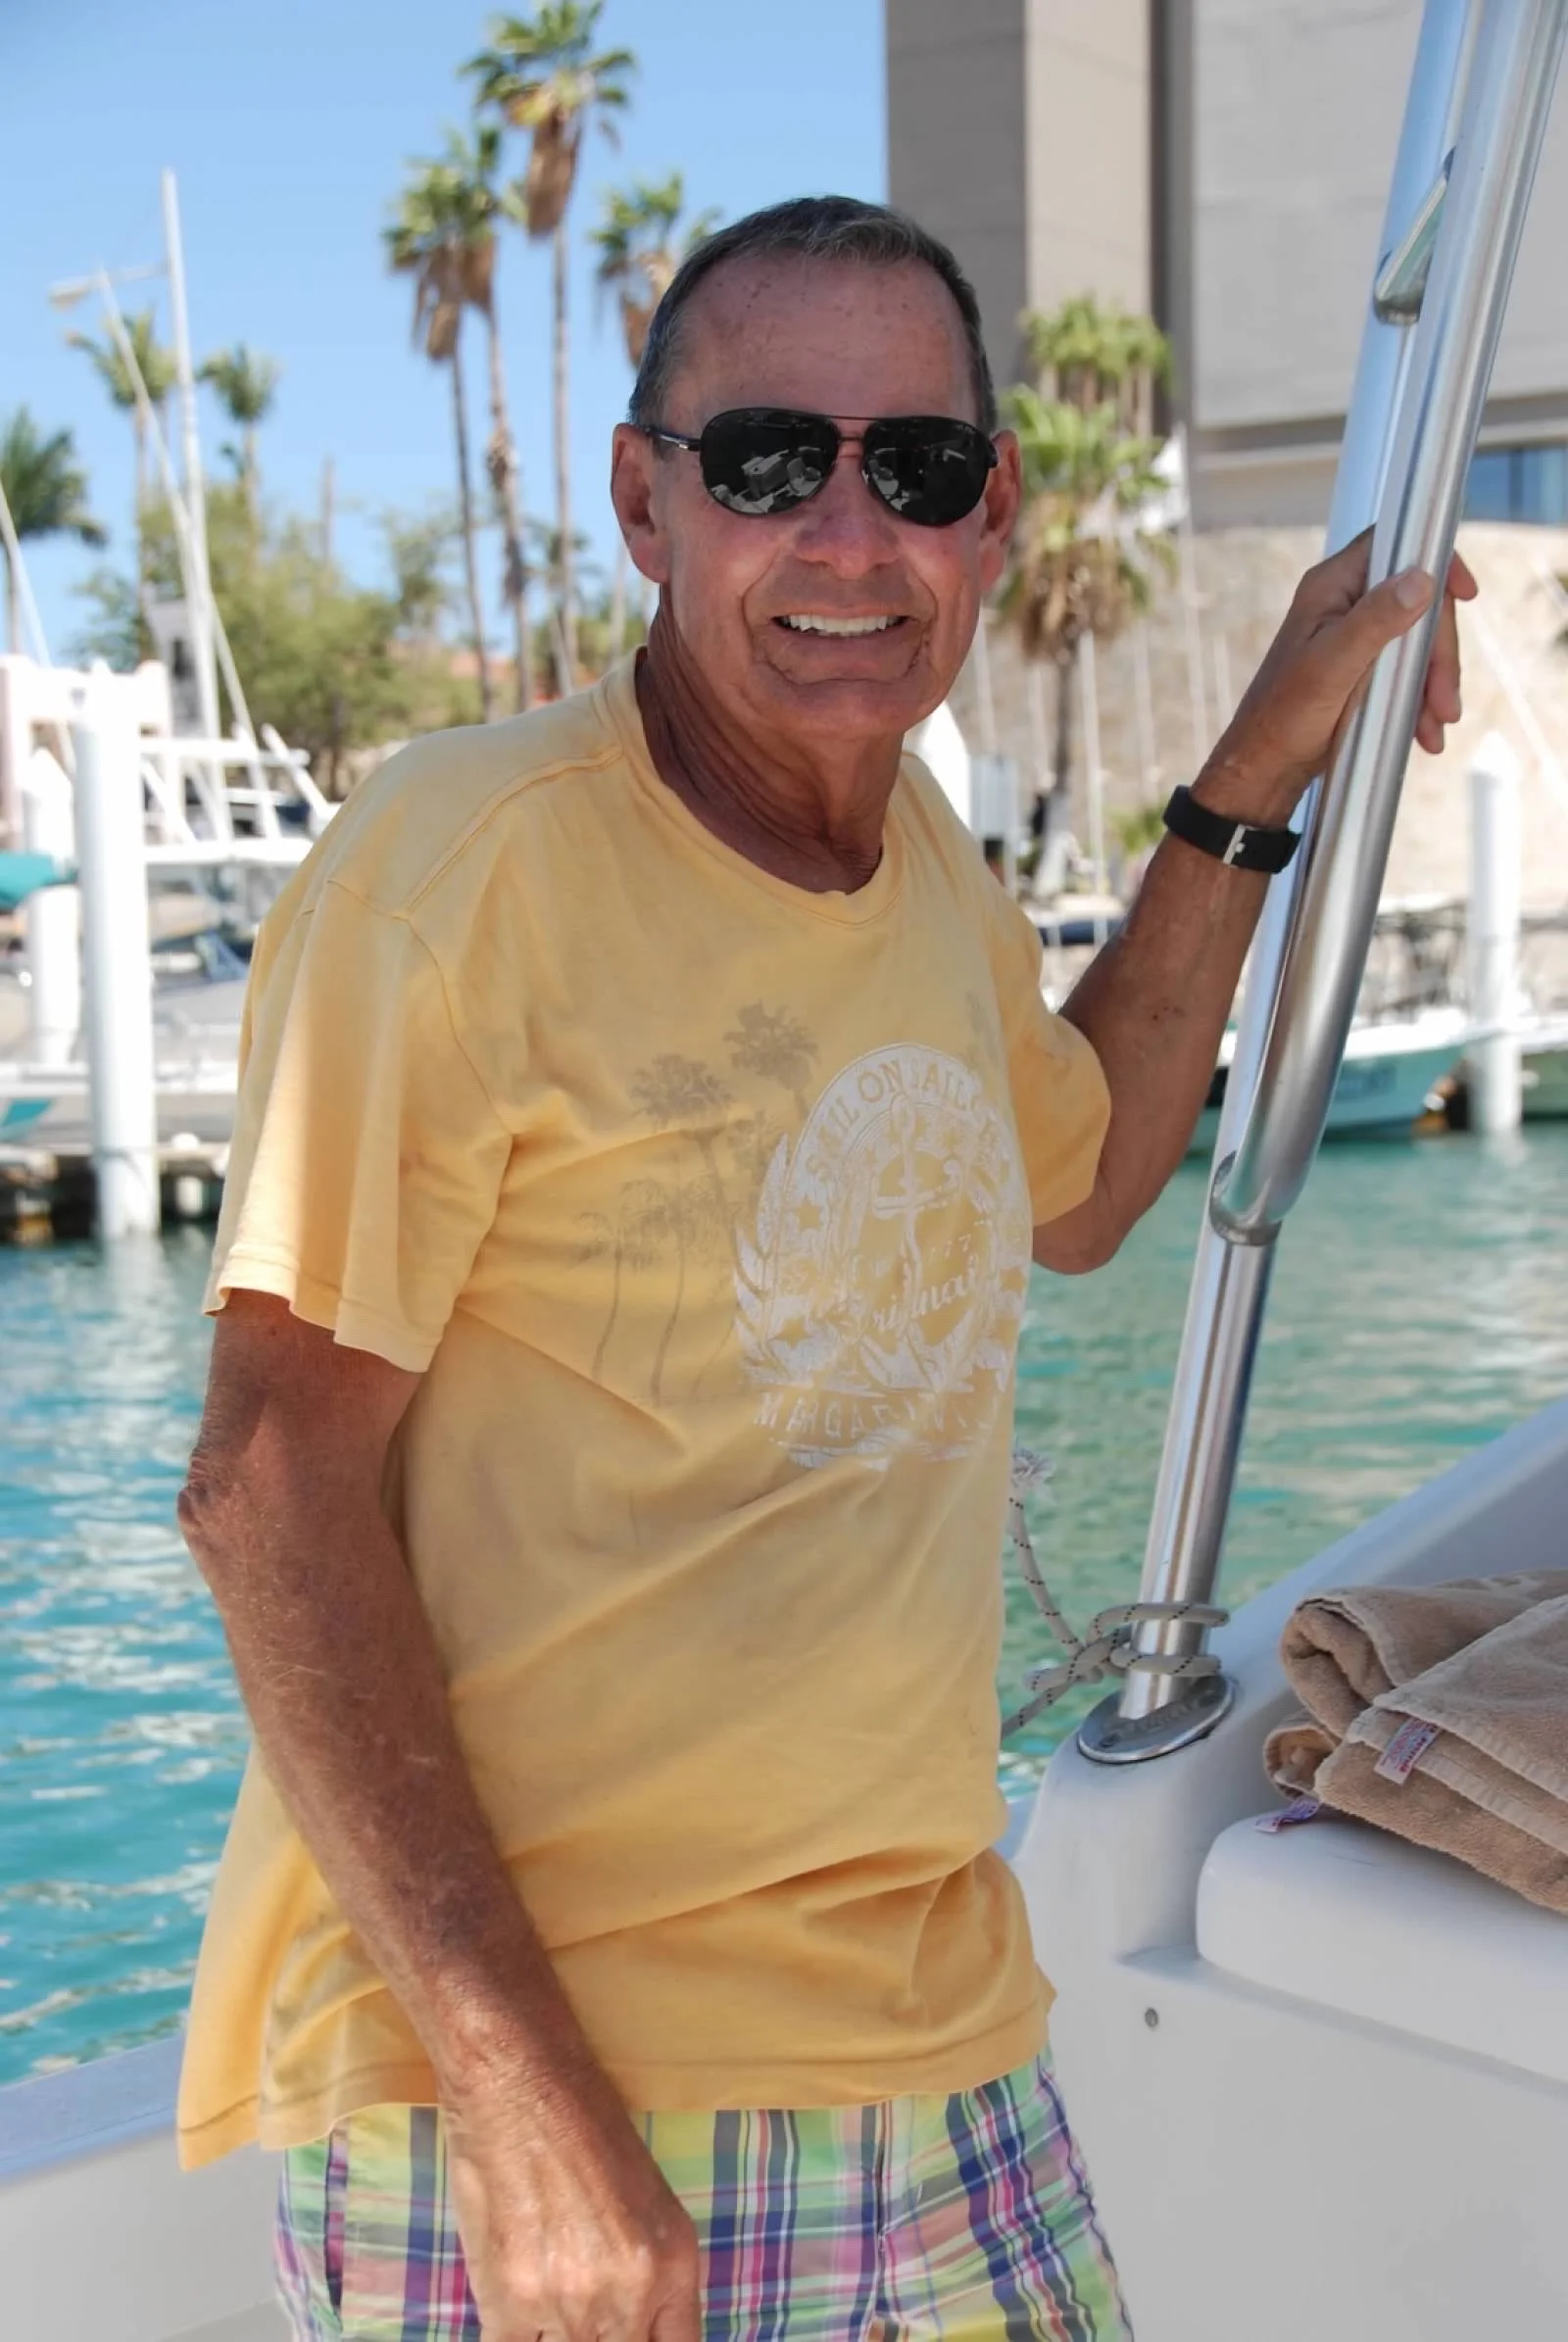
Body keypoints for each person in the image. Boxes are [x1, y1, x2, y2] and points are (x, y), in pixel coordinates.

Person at [174, 196, 1471, 2342]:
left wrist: (1257, 761)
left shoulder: (917, 862)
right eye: (770, 459)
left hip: (942, 2048)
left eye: (922, 471)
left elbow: (1081, 1176)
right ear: (640, 499)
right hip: (569, 2099)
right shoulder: (457, 869)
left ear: (991, 521)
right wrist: (519, 2096)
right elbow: (264, 1485)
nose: (852, 536)